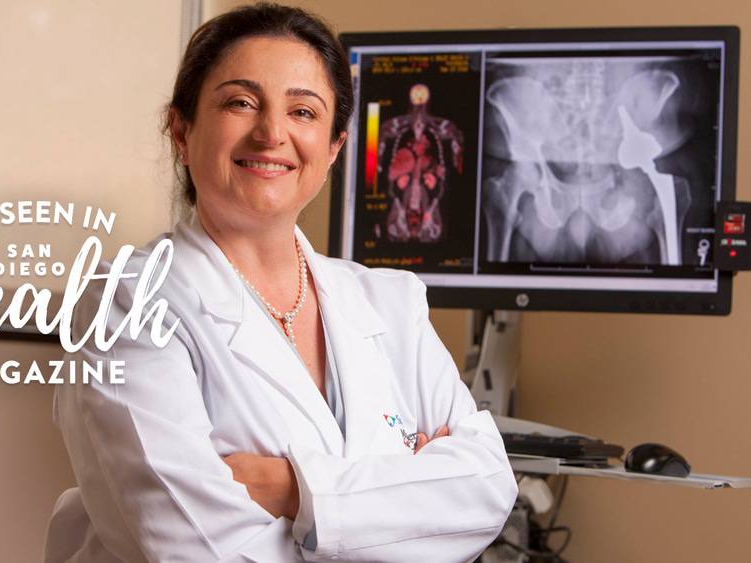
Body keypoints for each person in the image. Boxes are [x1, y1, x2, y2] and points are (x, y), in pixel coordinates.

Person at [43, 4, 517, 562]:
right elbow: (188, 548)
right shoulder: (125, 300)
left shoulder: (390, 303)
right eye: (240, 102)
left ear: (335, 145)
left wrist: (292, 490)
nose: (272, 133)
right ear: (181, 130)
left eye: (303, 111)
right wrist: (402, 503)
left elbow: (486, 490)